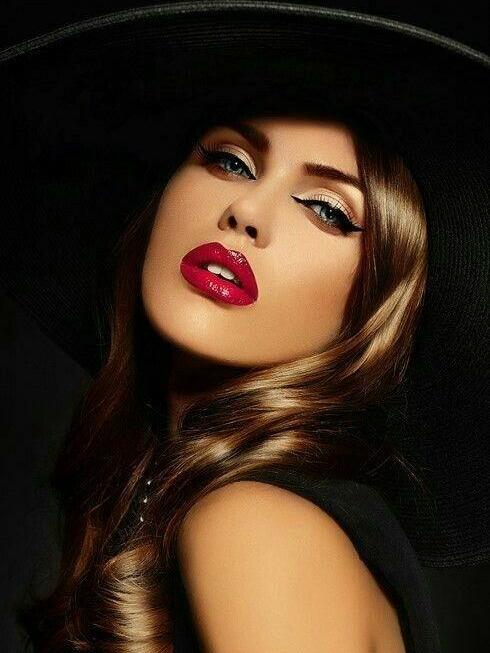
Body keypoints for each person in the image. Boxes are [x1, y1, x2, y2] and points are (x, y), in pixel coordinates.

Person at [1, 2, 487, 653]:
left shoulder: (253, 524)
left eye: (326, 209)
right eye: (232, 161)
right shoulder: (224, 506)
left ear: (374, 303)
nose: (247, 211)